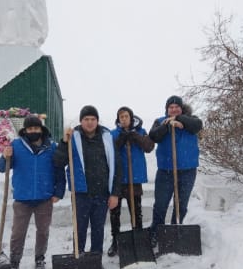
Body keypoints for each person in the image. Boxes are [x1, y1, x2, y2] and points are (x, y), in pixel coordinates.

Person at [0, 115, 66, 269]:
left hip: (44, 197)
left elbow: (59, 170)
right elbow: (1, 168)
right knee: (18, 233)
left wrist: (58, 192)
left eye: (36, 128)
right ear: (25, 130)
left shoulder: (51, 147)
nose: (33, 131)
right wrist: (4, 156)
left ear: (41, 129)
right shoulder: (16, 146)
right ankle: (14, 262)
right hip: (22, 198)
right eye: (30, 129)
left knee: (43, 231)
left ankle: (39, 259)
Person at [53, 105, 122, 257]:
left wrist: (115, 193)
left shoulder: (107, 138)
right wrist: (64, 143)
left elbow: (117, 166)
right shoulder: (72, 137)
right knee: (80, 228)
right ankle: (78, 256)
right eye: (86, 119)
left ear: (97, 120)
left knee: (98, 228)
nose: (90, 122)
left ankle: (95, 258)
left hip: (102, 192)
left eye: (93, 119)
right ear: (81, 121)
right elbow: (58, 161)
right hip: (81, 193)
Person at [148, 95, 203, 247]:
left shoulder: (191, 120)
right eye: (170, 107)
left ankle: (175, 230)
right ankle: (156, 232)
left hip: (187, 171)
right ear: (166, 109)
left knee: (181, 204)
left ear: (181, 108)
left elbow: (198, 126)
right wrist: (167, 125)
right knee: (160, 204)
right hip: (166, 171)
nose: (173, 109)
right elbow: (153, 136)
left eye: (176, 107)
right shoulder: (160, 121)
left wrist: (180, 122)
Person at [107, 106, 154, 257]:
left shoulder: (141, 131)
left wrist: (135, 137)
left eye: (126, 116)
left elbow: (148, 147)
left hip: (134, 179)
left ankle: (138, 239)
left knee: (136, 211)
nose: (124, 119)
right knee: (115, 213)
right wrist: (120, 141)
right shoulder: (113, 133)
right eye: (121, 117)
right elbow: (109, 151)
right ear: (118, 119)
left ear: (131, 117)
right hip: (118, 180)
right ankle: (115, 240)